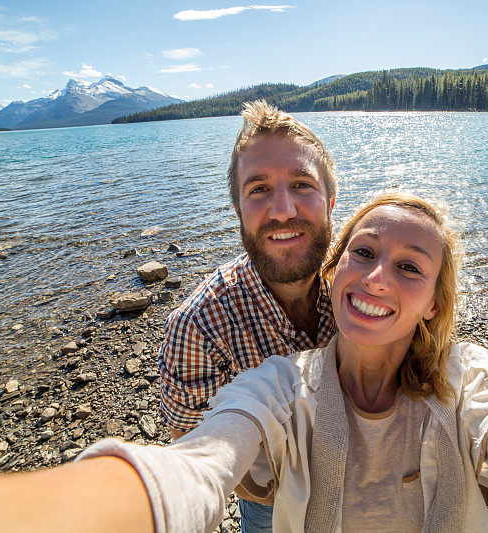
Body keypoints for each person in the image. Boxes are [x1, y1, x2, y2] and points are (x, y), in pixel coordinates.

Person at [0, 192, 488, 533]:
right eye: (366, 252)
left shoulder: (470, 380)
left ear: (433, 305)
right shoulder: (284, 383)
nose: (378, 276)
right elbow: (199, 462)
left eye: (410, 267)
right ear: (336, 266)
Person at [158, 100, 337, 530]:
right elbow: (190, 445)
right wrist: (270, 489)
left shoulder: (365, 285)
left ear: (330, 200)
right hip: (268, 503)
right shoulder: (198, 326)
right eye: (258, 189)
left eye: (301, 185)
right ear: (238, 210)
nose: (282, 210)